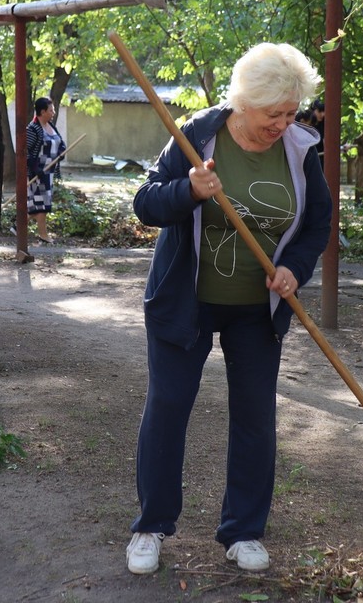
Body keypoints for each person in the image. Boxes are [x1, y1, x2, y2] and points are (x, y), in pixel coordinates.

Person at [125, 42, 332, 576]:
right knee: (169, 408)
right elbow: (146, 203)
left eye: (291, 113)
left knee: (256, 420)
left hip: (257, 310)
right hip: (185, 304)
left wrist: (294, 270)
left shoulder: (302, 151)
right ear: (245, 103)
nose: (283, 124)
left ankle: (243, 532)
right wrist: (189, 190)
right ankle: (151, 526)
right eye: (273, 114)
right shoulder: (196, 137)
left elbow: (315, 228)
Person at [25, 96, 65, 243]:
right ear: (42, 111)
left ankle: (18, 226)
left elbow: (60, 143)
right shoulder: (32, 129)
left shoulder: (51, 126)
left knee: (39, 204)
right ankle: (43, 234)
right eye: (51, 110)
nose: (53, 113)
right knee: (41, 204)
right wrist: (35, 169)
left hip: (49, 172)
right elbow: (25, 152)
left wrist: (61, 153)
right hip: (38, 173)